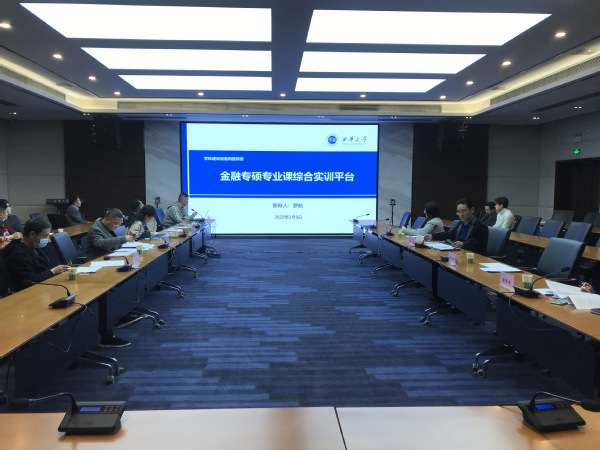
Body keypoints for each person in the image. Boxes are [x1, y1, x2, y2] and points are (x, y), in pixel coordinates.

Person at [86, 208, 135, 346]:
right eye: (116, 223)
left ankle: (118, 315)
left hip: (107, 263)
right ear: (107, 219)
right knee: (110, 292)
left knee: (126, 279)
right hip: (96, 267)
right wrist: (123, 238)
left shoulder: (106, 227)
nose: (117, 226)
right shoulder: (95, 229)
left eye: (119, 224)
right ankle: (107, 333)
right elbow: (101, 243)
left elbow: (112, 244)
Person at [2, 218, 69, 291]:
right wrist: (52, 272)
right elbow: (28, 280)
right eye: (44, 236)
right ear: (32, 234)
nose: (47, 239)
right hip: (30, 291)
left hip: (43, 286)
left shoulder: (33, 246)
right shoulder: (17, 253)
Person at [425, 198, 489, 255]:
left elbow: (477, 244)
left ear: (472, 210)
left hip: (473, 256)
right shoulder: (460, 224)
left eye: (463, 211)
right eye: (458, 212)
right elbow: (450, 234)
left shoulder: (481, 226)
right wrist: (432, 236)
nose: (461, 214)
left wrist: (463, 245)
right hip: (460, 254)